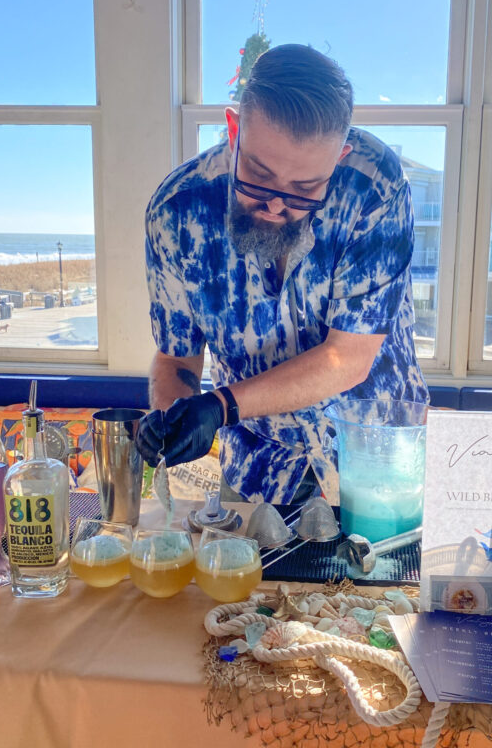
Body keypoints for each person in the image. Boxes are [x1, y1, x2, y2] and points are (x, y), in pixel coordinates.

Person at [135, 44, 428, 504]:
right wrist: (173, 418)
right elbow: (177, 360)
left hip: (378, 461)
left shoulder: (374, 186)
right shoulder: (177, 212)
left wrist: (220, 405)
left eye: (304, 188)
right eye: (259, 175)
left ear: (339, 157)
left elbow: (348, 357)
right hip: (257, 466)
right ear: (234, 130)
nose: (275, 205)